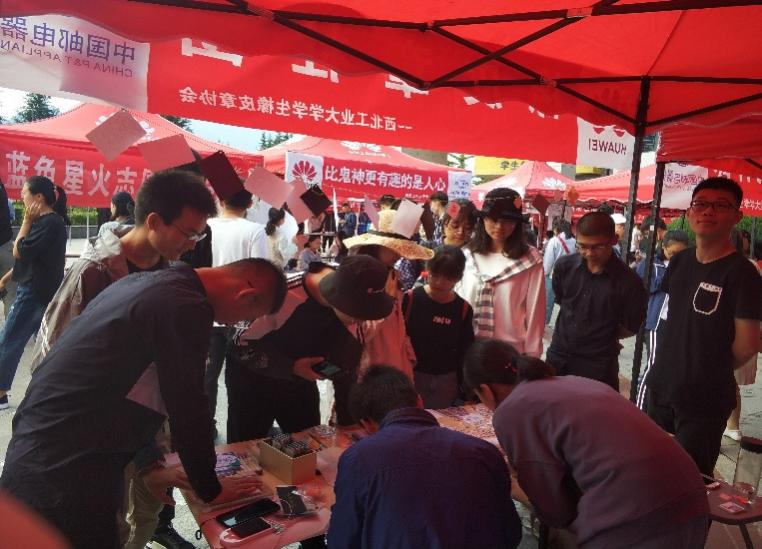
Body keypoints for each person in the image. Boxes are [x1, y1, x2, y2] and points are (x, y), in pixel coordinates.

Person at [0, 258, 287, 549]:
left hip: (47, 451)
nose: (235, 324)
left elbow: (125, 388)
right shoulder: (186, 306)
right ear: (247, 296)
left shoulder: (145, 283)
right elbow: (188, 406)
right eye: (247, 318)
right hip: (65, 471)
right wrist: (210, 489)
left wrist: (149, 465)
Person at [27, 170, 219, 549]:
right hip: (93, 439)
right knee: (106, 526)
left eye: (199, 236)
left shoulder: (170, 275)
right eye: (188, 233)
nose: (192, 245)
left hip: (149, 434)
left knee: (145, 518)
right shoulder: (93, 273)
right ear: (154, 221)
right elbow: (50, 364)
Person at [465, 338, 709, 549]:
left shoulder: (511, 411)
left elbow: (556, 512)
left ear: (485, 390)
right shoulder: (570, 382)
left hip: (635, 518)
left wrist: (510, 484)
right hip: (693, 499)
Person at [328, 365, 522, 549]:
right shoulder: (482, 451)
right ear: (420, 401)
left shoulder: (358, 460)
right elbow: (510, 532)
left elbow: (342, 541)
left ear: (366, 424)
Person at [647, 177, 762, 478]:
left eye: (720, 205)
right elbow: (674, 319)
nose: (708, 211)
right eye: (700, 204)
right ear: (689, 213)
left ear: (737, 216)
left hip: (704, 399)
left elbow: (748, 344)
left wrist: (708, 367)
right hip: (662, 387)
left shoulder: (743, 274)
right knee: (649, 469)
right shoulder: (680, 262)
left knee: (690, 480)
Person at [226, 255, 394, 442]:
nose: (361, 321)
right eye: (357, 314)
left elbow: (347, 371)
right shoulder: (282, 294)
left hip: (301, 382)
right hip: (252, 382)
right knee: (246, 448)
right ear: (336, 298)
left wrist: (348, 424)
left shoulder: (355, 310)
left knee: (310, 446)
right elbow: (237, 344)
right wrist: (290, 367)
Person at [546, 212, 646, 390]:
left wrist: (601, 333)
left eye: (598, 246)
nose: (589, 253)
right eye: (582, 246)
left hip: (598, 364)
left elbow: (630, 327)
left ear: (614, 240)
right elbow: (562, 300)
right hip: (559, 356)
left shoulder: (629, 282)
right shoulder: (564, 267)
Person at [205, 188, 268, 439]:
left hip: (209, 312)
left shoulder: (206, 226)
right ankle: (238, 435)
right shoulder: (254, 231)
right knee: (240, 379)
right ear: (250, 204)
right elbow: (261, 275)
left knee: (207, 377)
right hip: (242, 317)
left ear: (220, 200)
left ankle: (205, 427)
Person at [0, 176, 68, 409]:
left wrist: (26, 222)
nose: (22, 198)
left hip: (34, 292)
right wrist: (5, 279)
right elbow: (30, 260)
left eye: (24, 194)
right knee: (47, 344)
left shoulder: (48, 223)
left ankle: (0, 393)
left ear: (39, 197)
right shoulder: (48, 222)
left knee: (10, 339)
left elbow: (19, 252)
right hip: (38, 289)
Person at [344, 209, 434, 378]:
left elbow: (398, 324)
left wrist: (407, 355)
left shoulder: (392, 274)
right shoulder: (358, 279)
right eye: (394, 247)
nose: (399, 253)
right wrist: (387, 301)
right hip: (373, 370)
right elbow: (359, 332)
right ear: (377, 246)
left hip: (397, 366)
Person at [457, 188, 545, 357]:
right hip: (468, 348)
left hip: (511, 351)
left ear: (517, 223)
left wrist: (532, 354)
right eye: (493, 219)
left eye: (507, 221)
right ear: (483, 219)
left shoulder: (530, 260)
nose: (499, 226)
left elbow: (535, 311)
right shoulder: (466, 256)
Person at [402, 246, 474, 408]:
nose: (439, 282)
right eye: (434, 275)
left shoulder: (463, 309)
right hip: (411, 376)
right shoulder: (410, 299)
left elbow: (465, 350)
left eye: (448, 278)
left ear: (458, 278)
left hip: (446, 381)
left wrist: (466, 389)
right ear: (427, 269)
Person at [634, 229, 690, 411]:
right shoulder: (652, 263)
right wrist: (670, 275)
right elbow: (645, 286)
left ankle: (657, 409)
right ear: (663, 248)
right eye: (673, 253)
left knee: (669, 367)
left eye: (681, 254)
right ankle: (638, 408)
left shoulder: (688, 267)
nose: (676, 258)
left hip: (676, 324)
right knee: (653, 365)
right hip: (656, 322)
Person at [542, 219, 575, 325]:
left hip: (554, 277)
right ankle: (560, 324)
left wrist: (544, 274)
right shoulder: (574, 241)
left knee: (548, 303)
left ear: (557, 229)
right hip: (569, 278)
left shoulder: (554, 241)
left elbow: (547, 264)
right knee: (564, 304)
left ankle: (546, 324)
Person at [0, 178, 16, 317]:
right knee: (11, 292)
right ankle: (9, 328)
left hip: (4, 243)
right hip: (5, 242)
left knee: (11, 291)